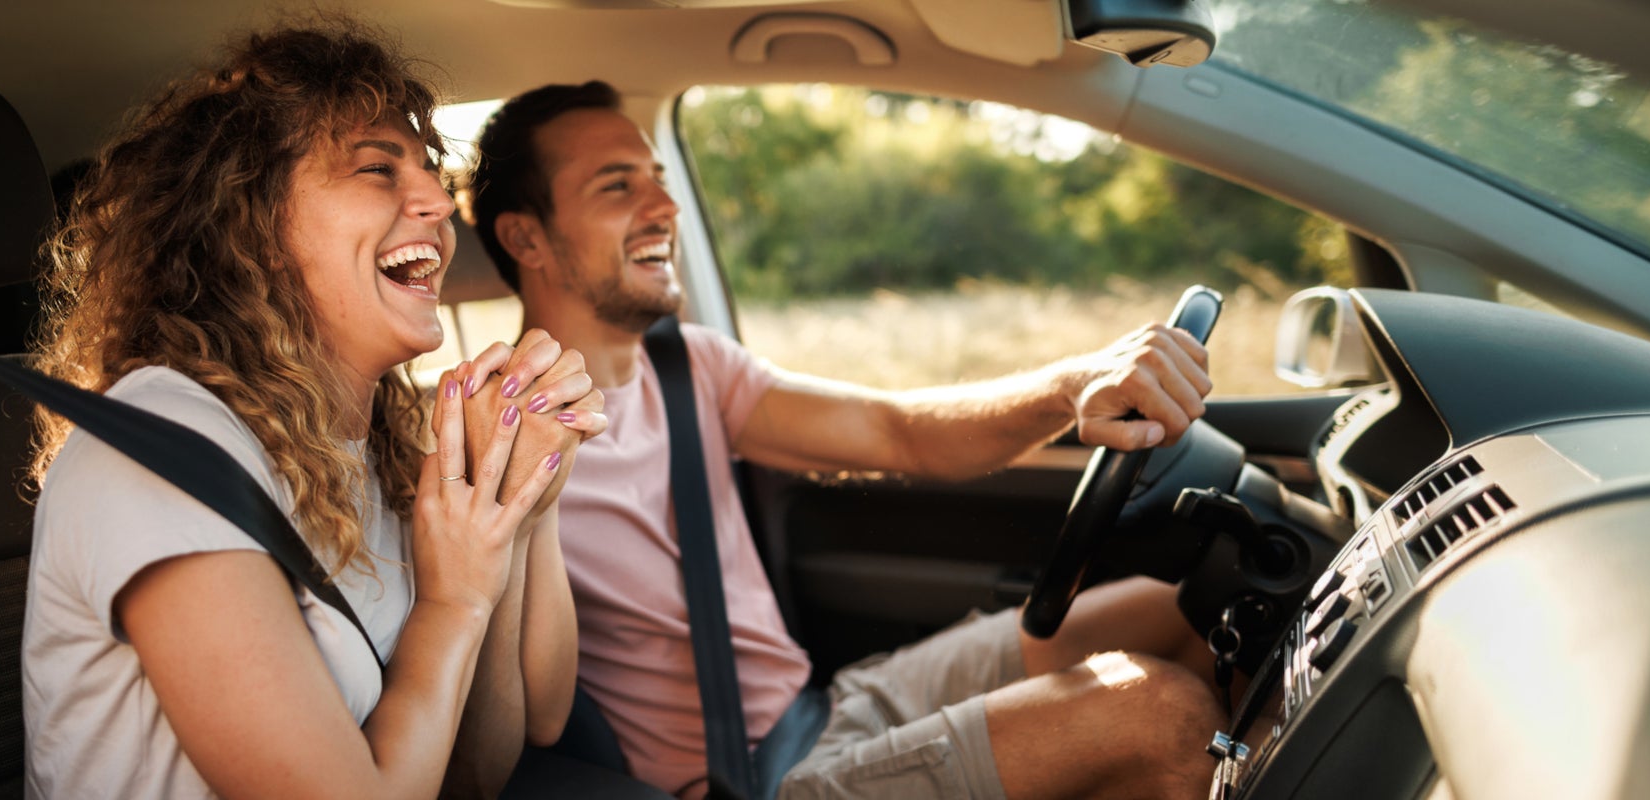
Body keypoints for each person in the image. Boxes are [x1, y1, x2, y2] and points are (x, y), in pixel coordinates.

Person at [464, 80, 1226, 799]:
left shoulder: (688, 364)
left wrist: (1073, 385)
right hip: (751, 782)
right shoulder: (493, 434)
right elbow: (527, 709)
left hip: (829, 706)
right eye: (617, 185)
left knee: (1181, 610)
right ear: (526, 238)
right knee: (1161, 715)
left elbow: (898, 433)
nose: (665, 205)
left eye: (658, 177)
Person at [19, 24, 606, 799]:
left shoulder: (377, 446)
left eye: (430, 170)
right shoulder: (164, 450)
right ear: (254, 226)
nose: (437, 201)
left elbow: (484, 766)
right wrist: (454, 598)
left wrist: (519, 491)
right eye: (376, 170)